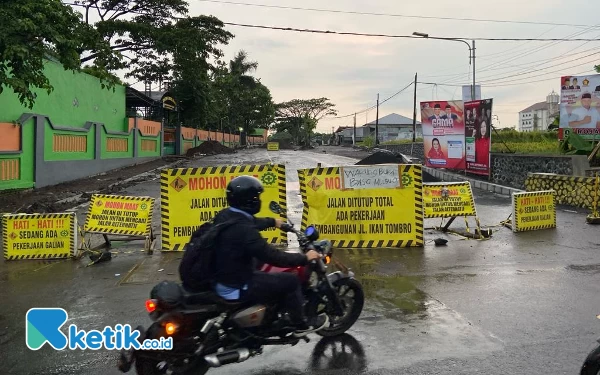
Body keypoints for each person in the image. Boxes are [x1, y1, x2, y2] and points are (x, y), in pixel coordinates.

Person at [207, 175, 327, 335]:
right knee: (290, 281)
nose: (259, 200)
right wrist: (305, 258)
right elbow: (274, 256)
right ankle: (300, 324)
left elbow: (250, 222)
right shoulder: (246, 232)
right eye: (256, 196)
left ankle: (270, 309)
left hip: (223, 273)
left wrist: (273, 222)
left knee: (263, 266)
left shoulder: (226, 215)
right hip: (236, 285)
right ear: (249, 201)